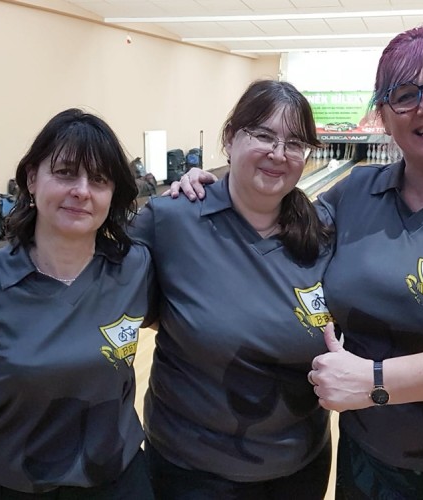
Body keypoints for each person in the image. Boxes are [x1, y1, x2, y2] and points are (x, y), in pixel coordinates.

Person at [173, 25, 423, 499]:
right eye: (404, 95)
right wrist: (214, 188)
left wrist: (376, 382)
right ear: (383, 116)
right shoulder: (356, 192)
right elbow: (271, 223)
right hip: (369, 464)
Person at [0, 108, 155, 499]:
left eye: (99, 179)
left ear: (113, 194)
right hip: (12, 489)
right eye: (65, 173)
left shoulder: (136, 267)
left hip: (120, 485)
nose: (82, 190)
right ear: (31, 178)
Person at [129, 79, 335, 499]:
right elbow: (122, 305)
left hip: (300, 467)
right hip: (192, 474)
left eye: (295, 143)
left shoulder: (325, 232)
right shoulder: (171, 219)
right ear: (229, 138)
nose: (278, 153)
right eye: (263, 135)